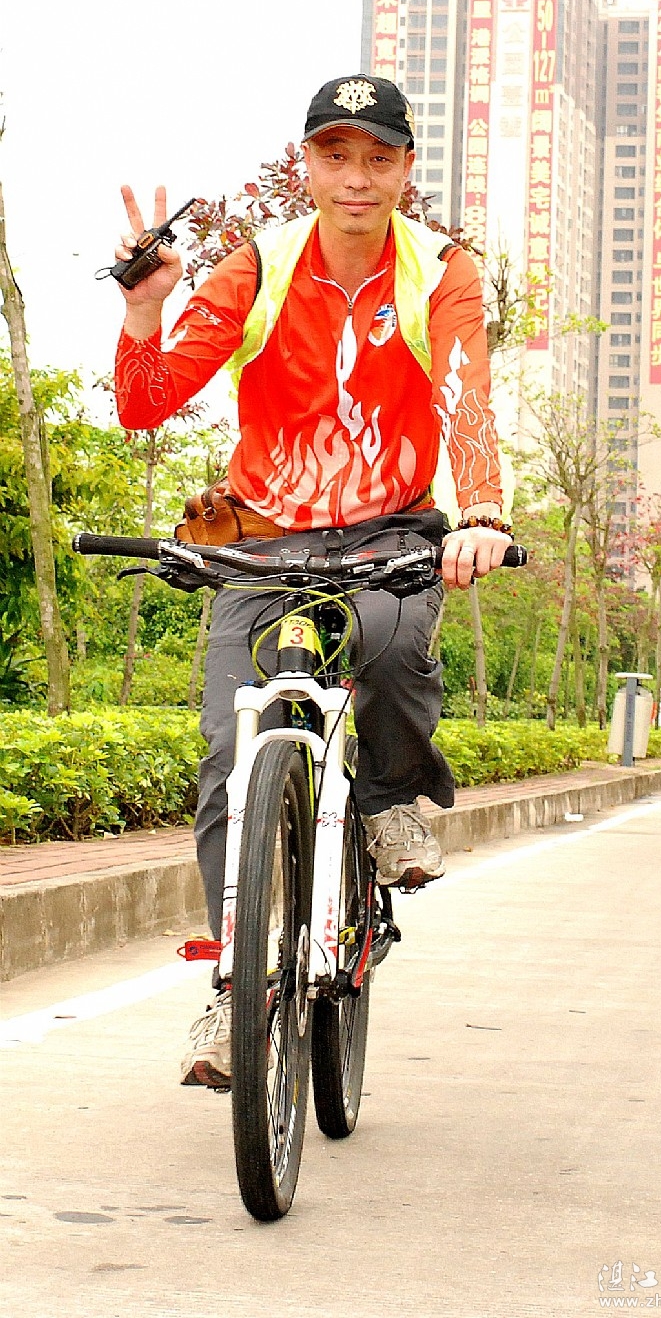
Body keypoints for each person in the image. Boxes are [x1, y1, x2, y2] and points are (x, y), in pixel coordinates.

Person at [112, 74, 513, 1087]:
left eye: (378, 157)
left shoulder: (440, 271)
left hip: (387, 533)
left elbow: (464, 394)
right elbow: (147, 403)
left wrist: (480, 514)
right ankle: (233, 986)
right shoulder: (254, 267)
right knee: (226, 756)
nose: (356, 178)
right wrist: (146, 310)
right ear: (308, 166)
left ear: (405, 169)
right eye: (336, 156)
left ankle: (386, 798)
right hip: (264, 538)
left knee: (392, 645)